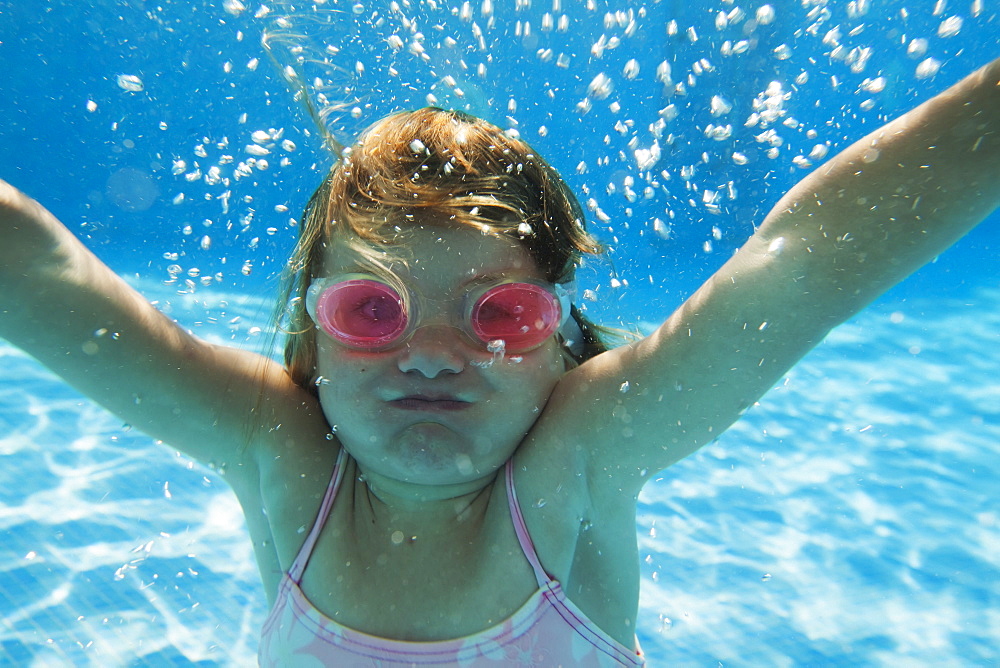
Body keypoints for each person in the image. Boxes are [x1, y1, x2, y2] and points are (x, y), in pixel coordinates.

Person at [1, 54, 997, 666]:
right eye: (372, 308)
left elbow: (807, 260)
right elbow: (44, 276)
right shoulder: (281, 448)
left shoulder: (577, 456)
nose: (432, 354)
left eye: (499, 314)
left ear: (558, 337)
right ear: (312, 335)